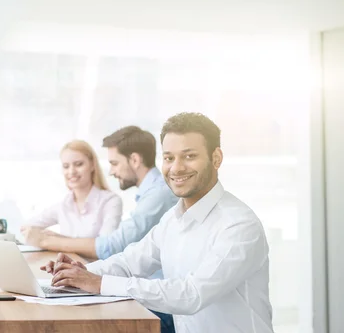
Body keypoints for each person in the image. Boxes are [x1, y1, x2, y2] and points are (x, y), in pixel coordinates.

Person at [41, 113, 274, 333]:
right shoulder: (173, 218)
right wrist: (75, 273)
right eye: (169, 158)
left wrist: (99, 283)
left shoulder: (238, 225)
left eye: (189, 156)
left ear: (216, 158)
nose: (176, 167)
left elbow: (192, 295)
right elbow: (129, 262)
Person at [23, 126, 178, 332]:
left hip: (162, 302)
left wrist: (46, 240)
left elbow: (114, 245)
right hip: (147, 290)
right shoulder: (149, 195)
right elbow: (126, 257)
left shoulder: (158, 196)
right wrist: (82, 270)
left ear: (134, 160)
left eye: (114, 163)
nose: (112, 171)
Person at [21, 140, 123, 239]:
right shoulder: (64, 205)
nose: (71, 171)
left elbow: (105, 245)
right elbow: (26, 227)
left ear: (92, 165)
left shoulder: (110, 201)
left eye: (78, 164)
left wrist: (59, 240)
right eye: (66, 166)